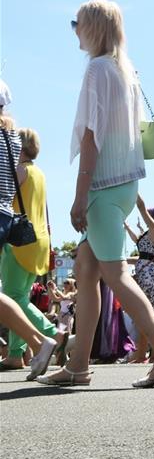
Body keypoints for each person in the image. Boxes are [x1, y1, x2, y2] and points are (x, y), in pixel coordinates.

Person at [39, 0, 154, 387]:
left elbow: (91, 138)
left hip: (102, 185)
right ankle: (78, 365)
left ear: (92, 27)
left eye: (78, 23)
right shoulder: (125, 70)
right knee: (85, 270)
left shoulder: (96, 70)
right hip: (126, 183)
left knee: (118, 275)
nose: (75, 30)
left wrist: (78, 194)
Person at [0, 127, 65, 373]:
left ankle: (52, 335)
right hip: (39, 240)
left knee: (12, 297)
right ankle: (16, 354)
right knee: (19, 295)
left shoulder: (19, 171)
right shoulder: (39, 173)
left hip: (18, 240)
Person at [124, 205, 154, 360]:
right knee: (151, 317)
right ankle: (153, 355)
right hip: (149, 275)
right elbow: (138, 241)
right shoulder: (150, 235)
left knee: (145, 316)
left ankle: (142, 354)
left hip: (148, 276)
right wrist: (127, 226)